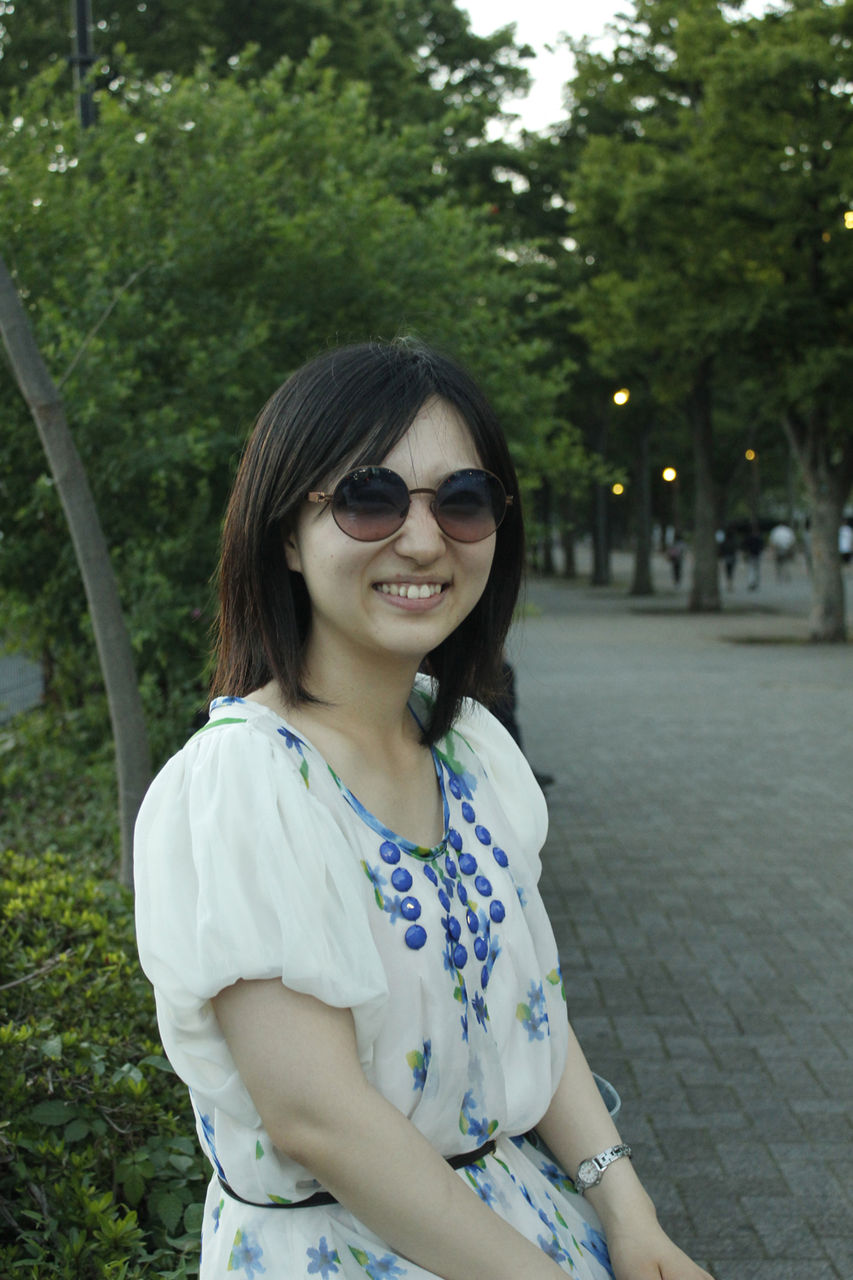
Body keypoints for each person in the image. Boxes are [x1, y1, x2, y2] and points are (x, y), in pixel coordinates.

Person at [134, 340, 713, 1280]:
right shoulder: (245, 784)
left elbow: (528, 1008)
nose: (421, 540)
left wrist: (627, 1209)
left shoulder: (469, 749)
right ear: (287, 535)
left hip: (531, 1225)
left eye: (462, 499)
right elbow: (319, 1122)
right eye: (367, 498)